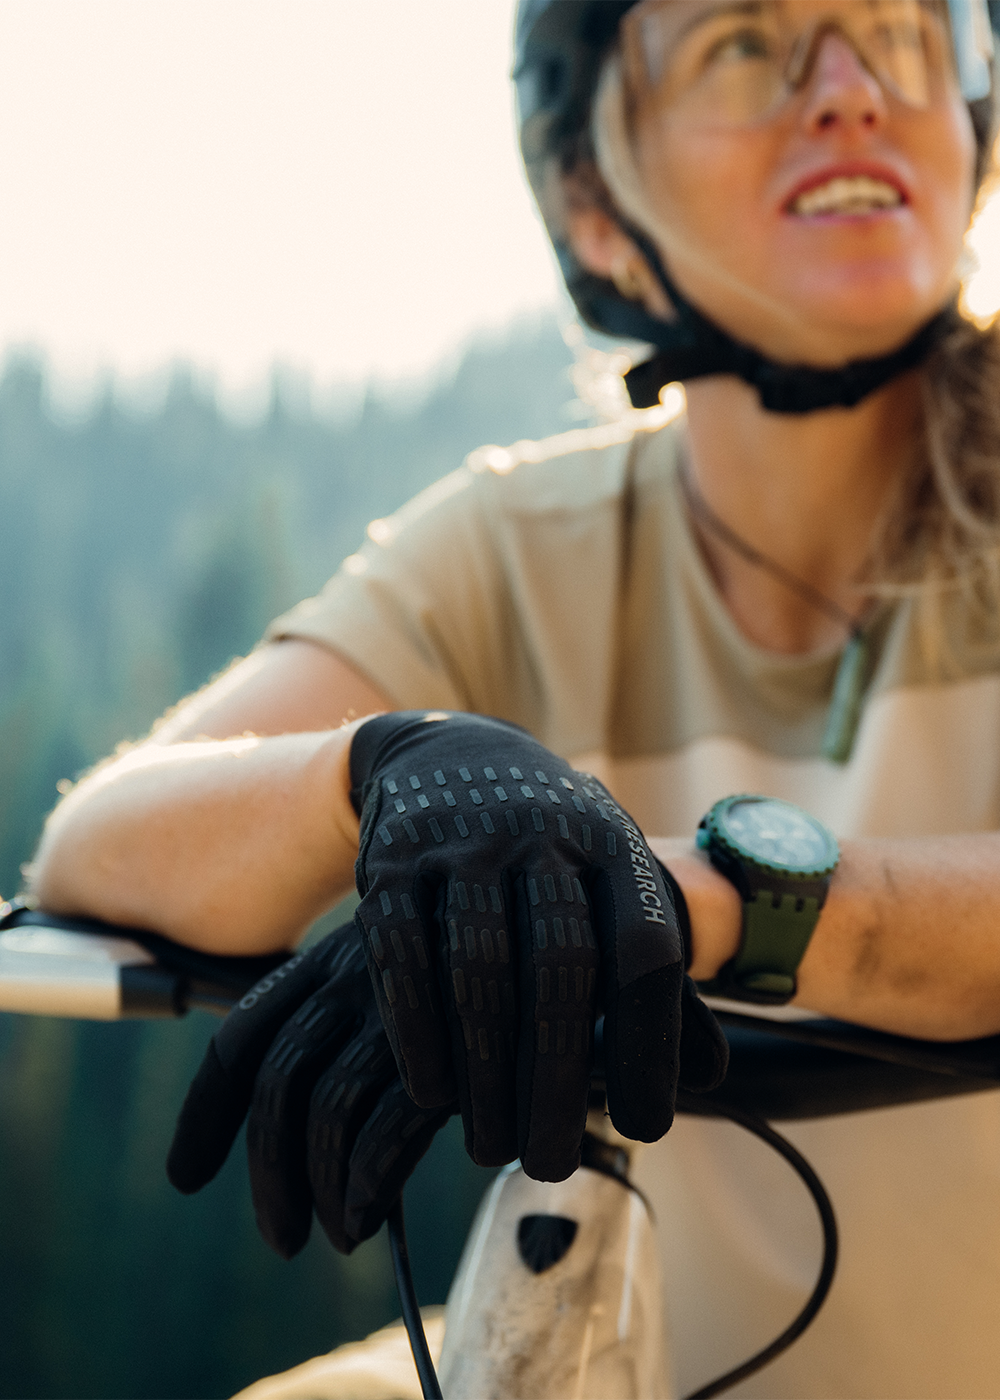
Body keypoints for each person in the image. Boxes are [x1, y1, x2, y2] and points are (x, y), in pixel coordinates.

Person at [26, 1, 1000, 1394]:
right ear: (596, 208)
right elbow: (100, 846)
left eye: (902, 32)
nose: (847, 89)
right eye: (742, 42)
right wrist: (383, 768)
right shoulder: (523, 548)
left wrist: (702, 902)